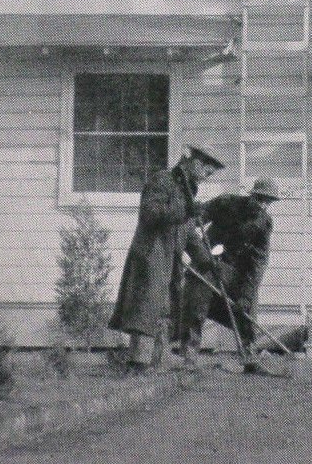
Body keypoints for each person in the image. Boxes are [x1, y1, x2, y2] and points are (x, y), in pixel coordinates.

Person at [109, 143, 225, 371]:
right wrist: (185, 211)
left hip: (170, 258)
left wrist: (205, 259)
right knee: (147, 306)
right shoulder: (163, 180)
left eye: (209, 174)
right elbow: (150, 213)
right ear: (195, 162)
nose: (205, 177)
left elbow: (188, 231)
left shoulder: (188, 190)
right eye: (206, 171)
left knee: (167, 307)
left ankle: (157, 359)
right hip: (152, 254)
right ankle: (138, 362)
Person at [176, 177, 280, 360]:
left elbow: (258, 262)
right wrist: (196, 248)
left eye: (268, 202)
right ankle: (189, 355)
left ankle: (249, 357)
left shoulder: (264, 223)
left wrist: (246, 296)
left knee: (247, 310)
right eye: (260, 199)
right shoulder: (226, 203)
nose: (263, 205)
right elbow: (194, 219)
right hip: (207, 261)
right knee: (195, 298)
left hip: (236, 271)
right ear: (252, 196)